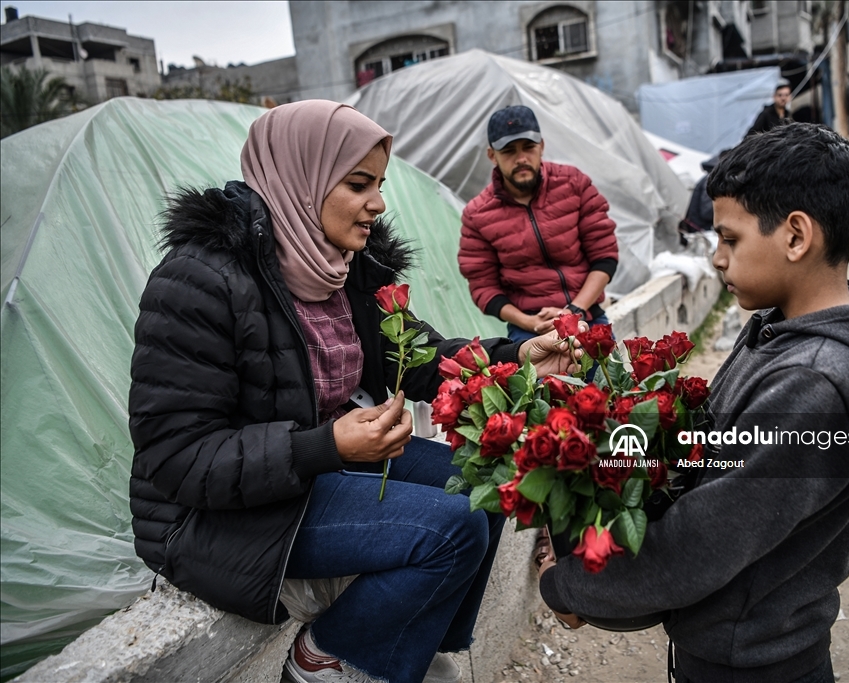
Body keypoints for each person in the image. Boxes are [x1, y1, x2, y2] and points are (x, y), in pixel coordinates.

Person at [128, 101, 581, 683]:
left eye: (380, 183)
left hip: (316, 468)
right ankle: (324, 660)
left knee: (483, 484)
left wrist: (515, 354)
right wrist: (326, 446)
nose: (379, 203)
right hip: (217, 514)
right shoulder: (200, 282)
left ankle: (409, 653)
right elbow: (177, 458)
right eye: (359, 184)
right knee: (452, 526)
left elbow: (415, 357)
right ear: (300, 179)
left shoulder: (341, 268)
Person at [536, 123, 849, 683]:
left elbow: (701, 542)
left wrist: (570, 585)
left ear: (796, 236)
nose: (716, 259)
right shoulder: (777, 328)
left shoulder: (815, 387)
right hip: (734, 640)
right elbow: (719, 452)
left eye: (730, 239)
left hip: (755, 662)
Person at [458, 105, 618, 343]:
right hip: (529, 328)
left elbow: (604, 256)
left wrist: (573, 310)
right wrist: (528, 322)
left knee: (612, 380)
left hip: (587, 315)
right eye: (509, 151)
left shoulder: (573, 184)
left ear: (541, 146)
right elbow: (483, 286)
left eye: (529, 148)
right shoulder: (477, 214)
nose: (521, 158)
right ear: (492, 156)